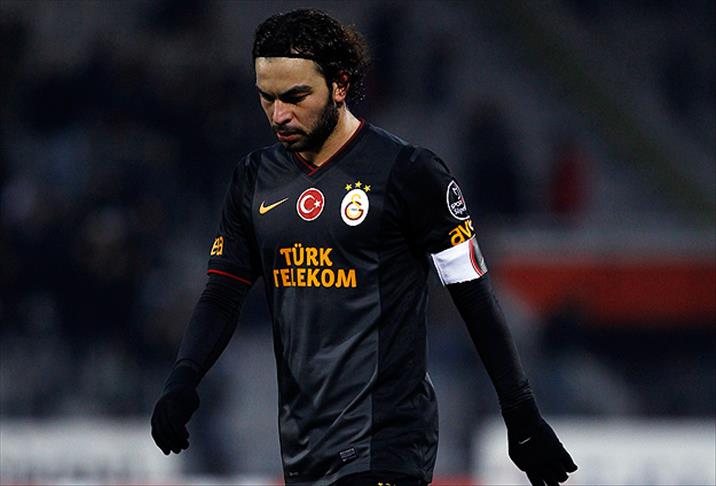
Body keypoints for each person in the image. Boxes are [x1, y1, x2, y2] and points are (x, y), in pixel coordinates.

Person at [151, 9, 577, 486]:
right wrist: (183, 378)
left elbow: (474, 297)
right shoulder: (255, 179)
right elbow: (223, 293)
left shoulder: (410, 173)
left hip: (387, 443)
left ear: (339, 84)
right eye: (266, 97)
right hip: (304, 447)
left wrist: (520, 413)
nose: (278, 114)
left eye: (295, 96)